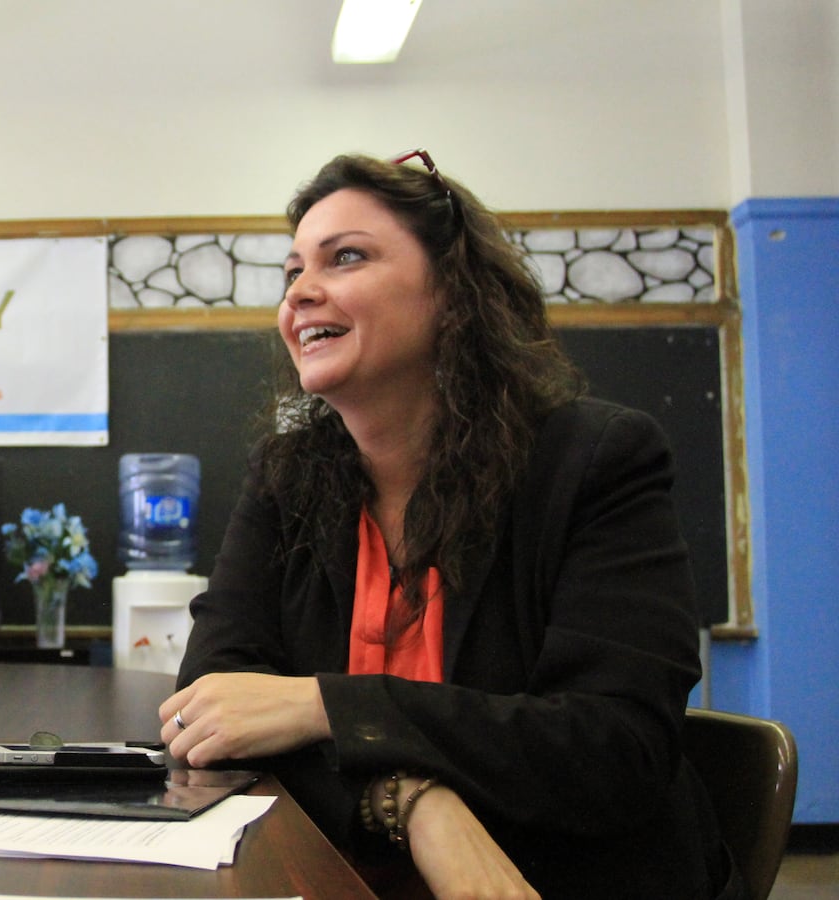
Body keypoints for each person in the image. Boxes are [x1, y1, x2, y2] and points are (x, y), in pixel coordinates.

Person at [158, 151, 738, 899]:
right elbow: (212, 718)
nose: (301, 293)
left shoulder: (593, 462)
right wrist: (413, 803)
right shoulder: (286, 477)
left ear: (454, 295)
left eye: (347, 258)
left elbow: (612, 747)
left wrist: (321, 706)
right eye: (292, 271)